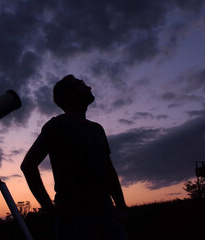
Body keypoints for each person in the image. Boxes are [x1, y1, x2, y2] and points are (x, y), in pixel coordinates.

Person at [21, 74, 129, 240]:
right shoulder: (56, 126)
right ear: (71, 93)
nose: (89, 87)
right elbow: (28, 165)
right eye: (81, 84)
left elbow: (109, 169)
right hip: (74, 221)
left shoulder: (97, 129)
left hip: (107, 214)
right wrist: (51, 209)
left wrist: (121, 207)